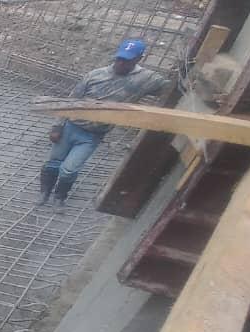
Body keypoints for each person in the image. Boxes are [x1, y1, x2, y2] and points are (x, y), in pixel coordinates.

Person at [39, 38, 171, 209]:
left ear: (139, 59)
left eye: (126, 60)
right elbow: (72, 99)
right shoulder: (96, 75)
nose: (121, 63)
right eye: (119, 59)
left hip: (93, 134)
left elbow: (170, 88)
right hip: (71, 126)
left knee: (69, 169)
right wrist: (57, 126)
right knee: (54, 162)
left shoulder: (146, 78)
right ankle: (45, 193)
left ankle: (60, 196)